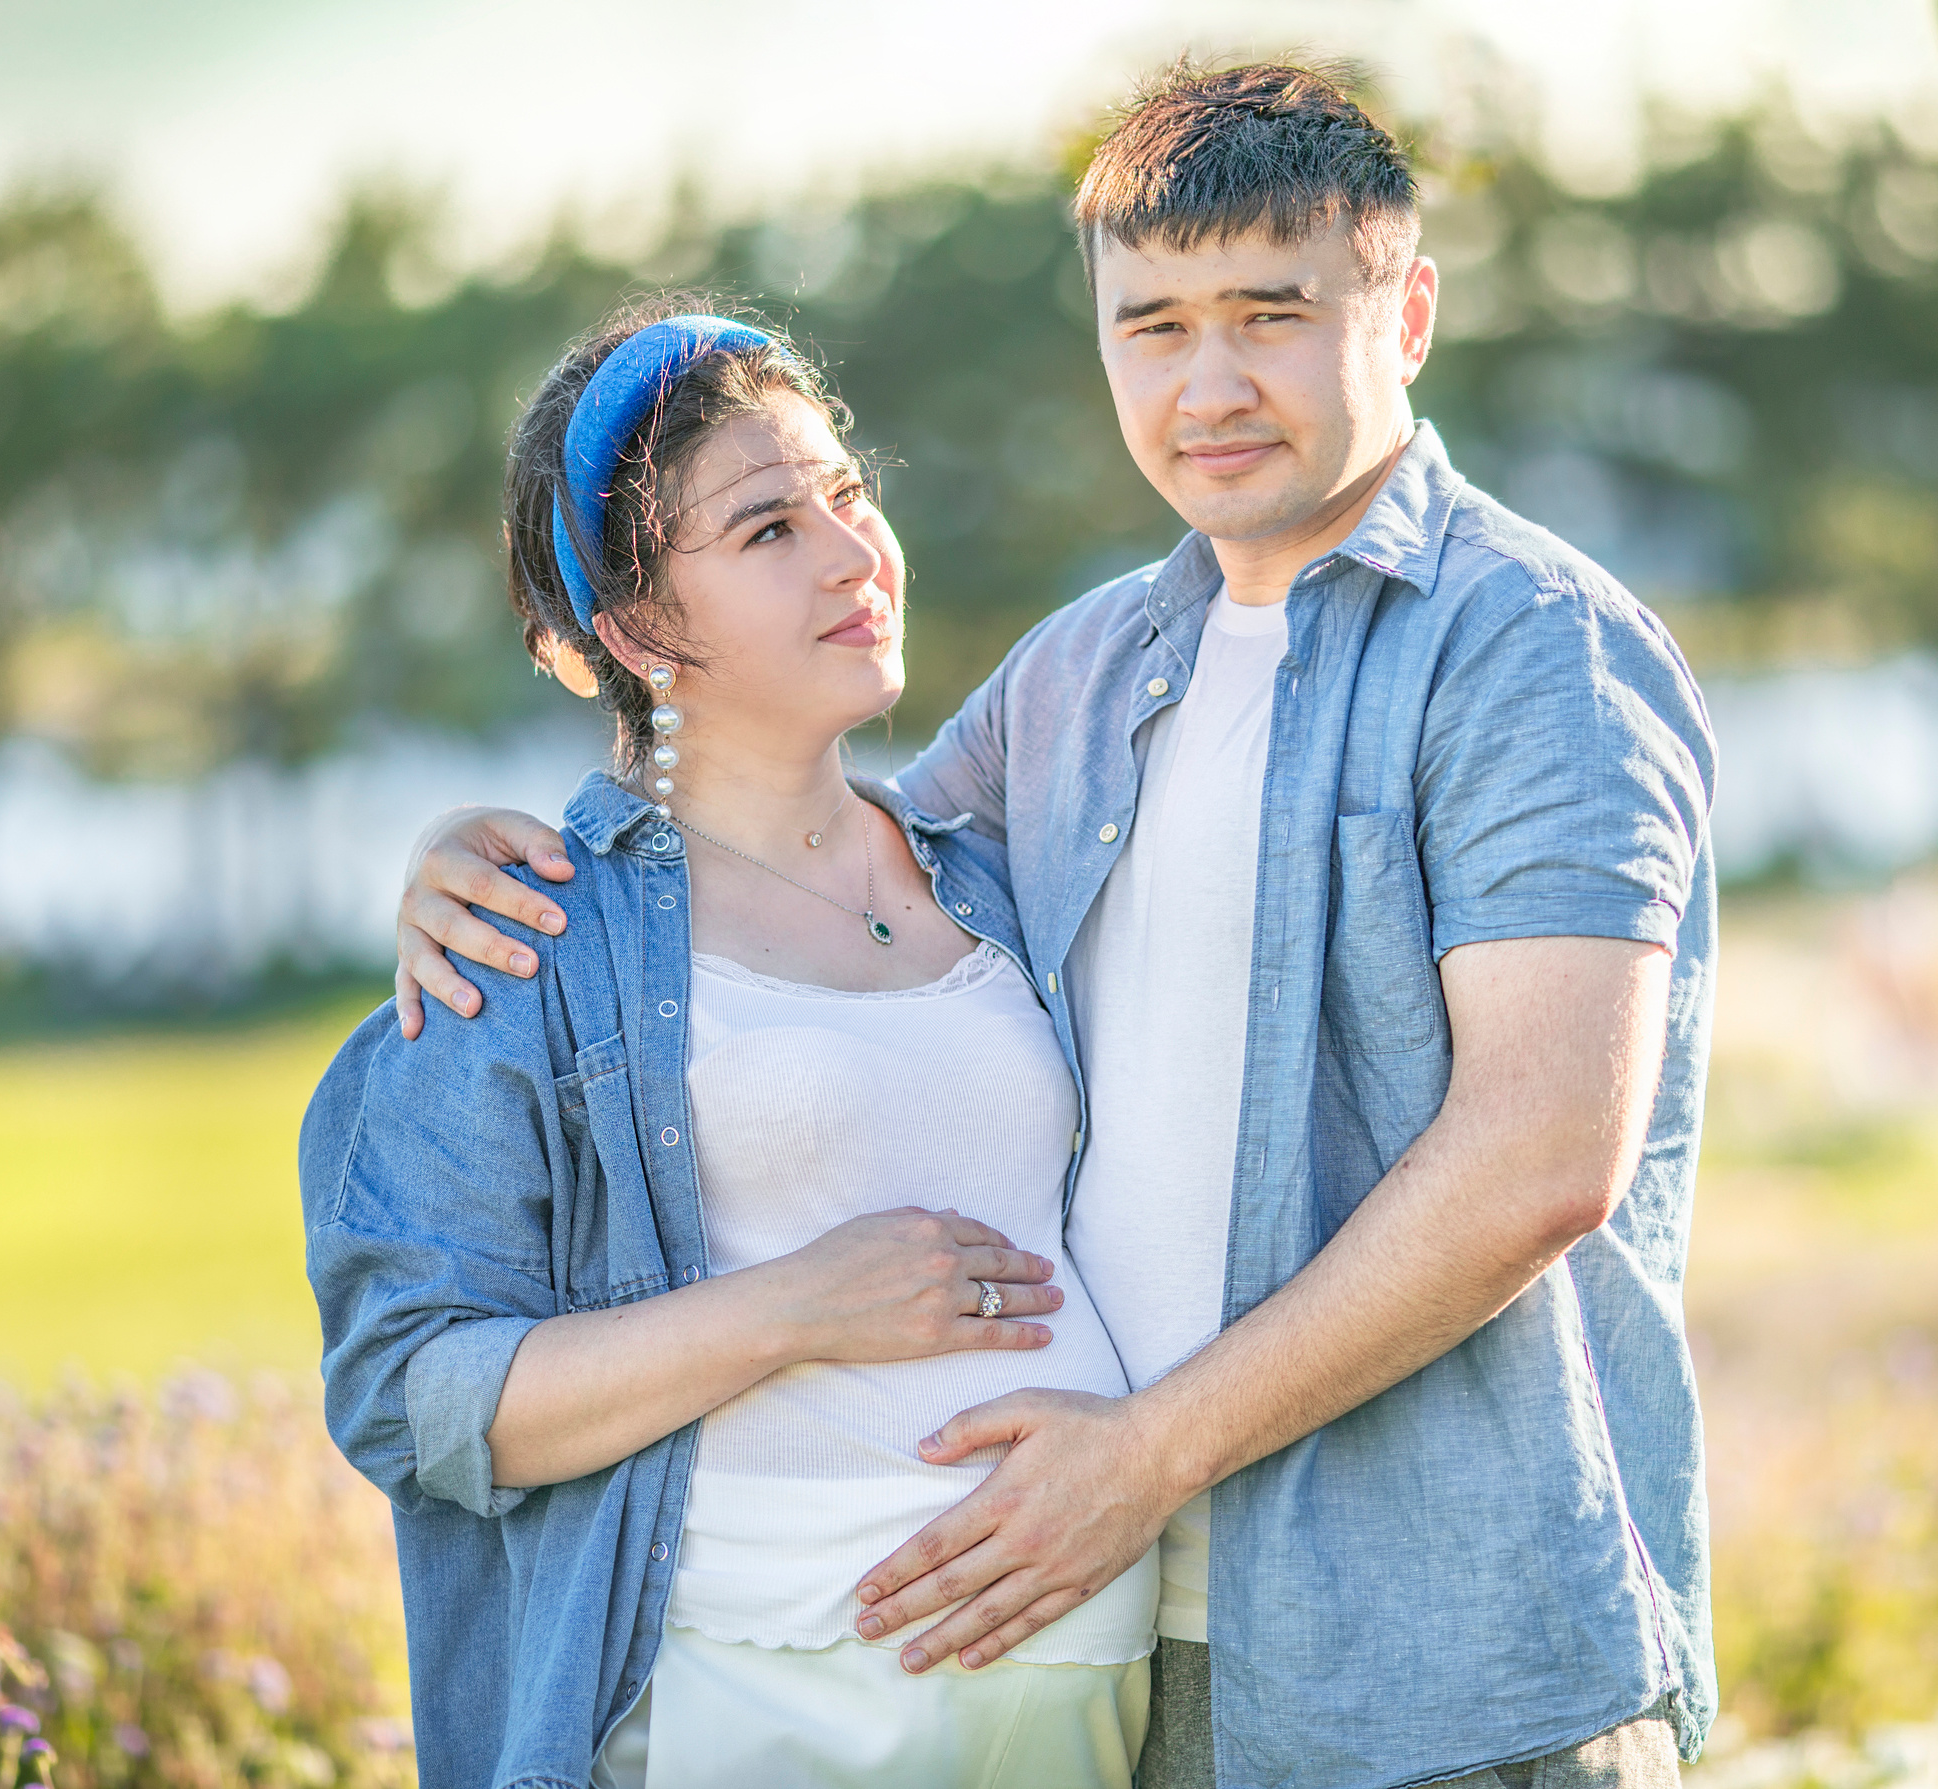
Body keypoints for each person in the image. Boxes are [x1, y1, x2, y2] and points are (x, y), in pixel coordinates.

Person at [392, 63, 1719, 1789]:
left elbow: (1539, 1158)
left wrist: (1145, 1453)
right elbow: (802, 852)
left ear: (1406, 314)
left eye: (1272, 315)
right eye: (1153, 327)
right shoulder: (1082, 673)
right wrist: (466, 850)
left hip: (1442, 1656)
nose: (1209, 385)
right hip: (1140, 1657)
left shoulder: (1531, 646)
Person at [302, 306, 1160, 1789]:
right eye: (770, 528)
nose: (852, 553)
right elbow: (410, 1394)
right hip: (763, 1703)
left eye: (848, 493)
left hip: (1084, 1713)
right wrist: (795, 1307)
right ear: (639, 633)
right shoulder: (526, 942)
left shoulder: (994, 865)